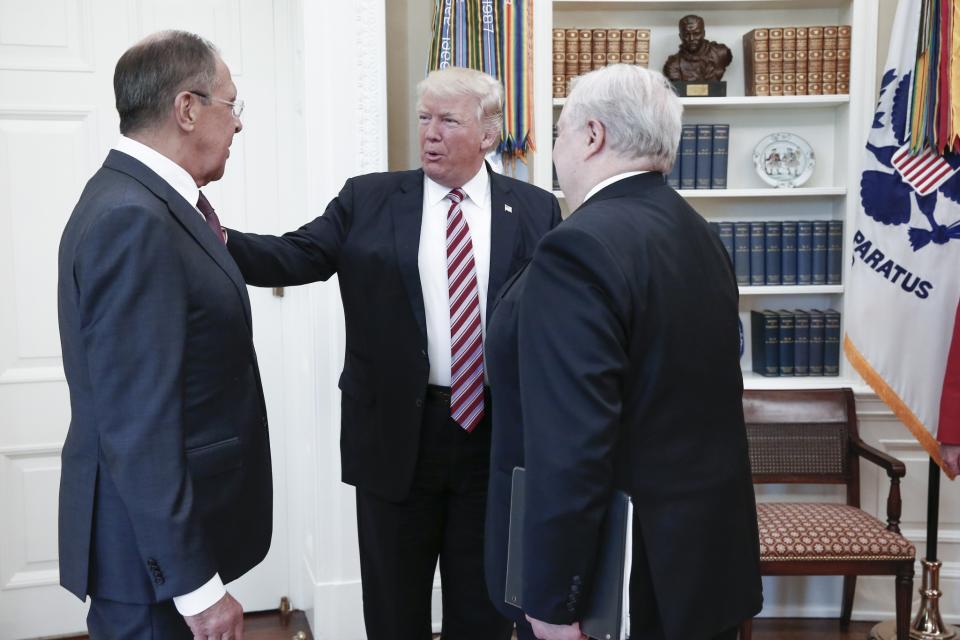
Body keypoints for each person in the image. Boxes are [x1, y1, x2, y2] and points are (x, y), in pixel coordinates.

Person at [223, 66, 561, 640]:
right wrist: (221, 240)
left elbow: (553, 318)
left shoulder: (534, 209)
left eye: (448, 120)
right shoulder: (369, 198)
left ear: (487, 133)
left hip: (495, 437)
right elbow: (297, 256)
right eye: (424, 118)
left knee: (483, 608)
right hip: (397, 436)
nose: (429, 132)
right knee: (393, 605)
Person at [484, 64, 762, 640]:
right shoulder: (697, 232)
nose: (556, 148)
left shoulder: (578, 247)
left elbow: (572, 441)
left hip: (618, 580)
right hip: (698, 566)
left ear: (592, 136)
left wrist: (554, 601)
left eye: (559, 132)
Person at [57, 31, 271, 639]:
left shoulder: (146, 202)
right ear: (187, 109)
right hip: (151, 572)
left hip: (157, 556)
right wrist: (198, 590)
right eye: (232, 107)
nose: (238, 126)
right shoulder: (133, 218)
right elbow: (137, 421)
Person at [663, 15, 733, 82]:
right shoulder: (673, 65)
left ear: (703, 34)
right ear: (680, 36)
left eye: (696, 33)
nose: (691, 38)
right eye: (686, 34)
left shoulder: (721, 53)